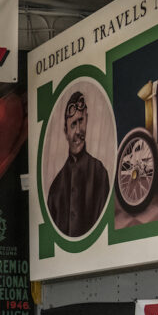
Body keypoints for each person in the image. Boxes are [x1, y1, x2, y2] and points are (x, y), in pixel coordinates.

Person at [47, 91, 110, 237]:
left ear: (87, 119)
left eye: (81, 121)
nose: (78, 130)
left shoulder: (99, 173)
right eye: (73, 124)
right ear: (65, 132)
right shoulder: (55, 188)